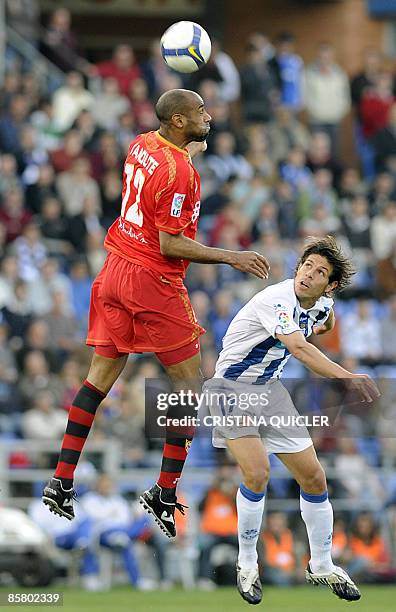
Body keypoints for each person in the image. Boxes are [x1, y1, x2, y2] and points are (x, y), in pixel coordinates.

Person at [42, 89, 270, 538]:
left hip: (113, 270)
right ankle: (165, 490)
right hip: (152, 280)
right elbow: (170, 242)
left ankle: (61, 479)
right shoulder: (180, 170)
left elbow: (162, 186)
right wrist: (231, 256)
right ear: (180, 122)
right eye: (200, 112)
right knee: (188, 384)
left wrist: (189, 151)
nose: (209, 116)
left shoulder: (142, 143)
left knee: (98, 380)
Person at [203, 236, 379, 604]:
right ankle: (248, 562)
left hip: (271, 391)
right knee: (257, 473)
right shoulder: (277, 298)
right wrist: (347, 376)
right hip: (232, 388)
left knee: (314, 477)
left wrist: (326, 310)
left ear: (329, 285)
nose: (309, 275)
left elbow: (326, 323)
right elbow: (300, 347)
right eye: (306, 266)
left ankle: (321, 564)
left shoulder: (319, 302)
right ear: (297, 267)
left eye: (320, 272)